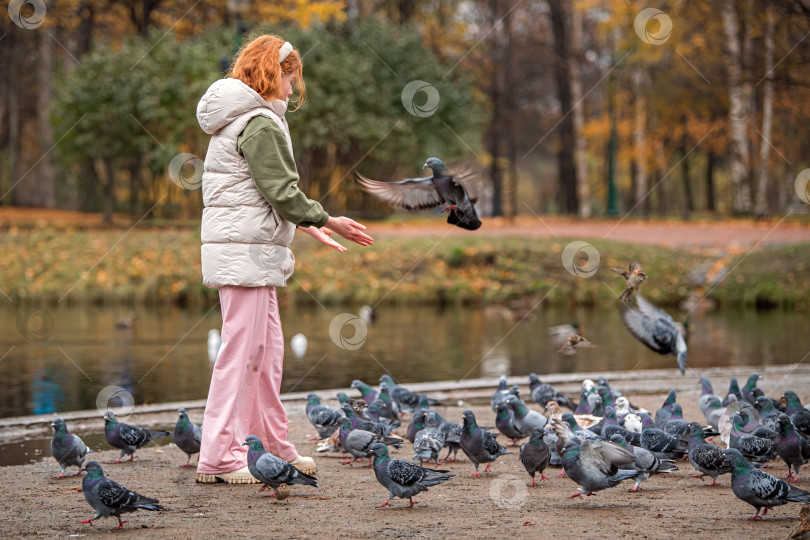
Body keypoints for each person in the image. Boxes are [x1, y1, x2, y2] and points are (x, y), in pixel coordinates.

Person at [194, 34, 373, 484]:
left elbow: (262, 194)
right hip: (245, 256)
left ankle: (267, 445)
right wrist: (329, 220)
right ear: (273, 74)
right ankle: (219, 455)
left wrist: (308, 225)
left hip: (253, 253)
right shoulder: (258, 122)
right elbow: (281, 192)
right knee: (241, 352)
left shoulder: (243, 119)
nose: (292, 90)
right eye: (291, 79)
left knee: (267, 351)